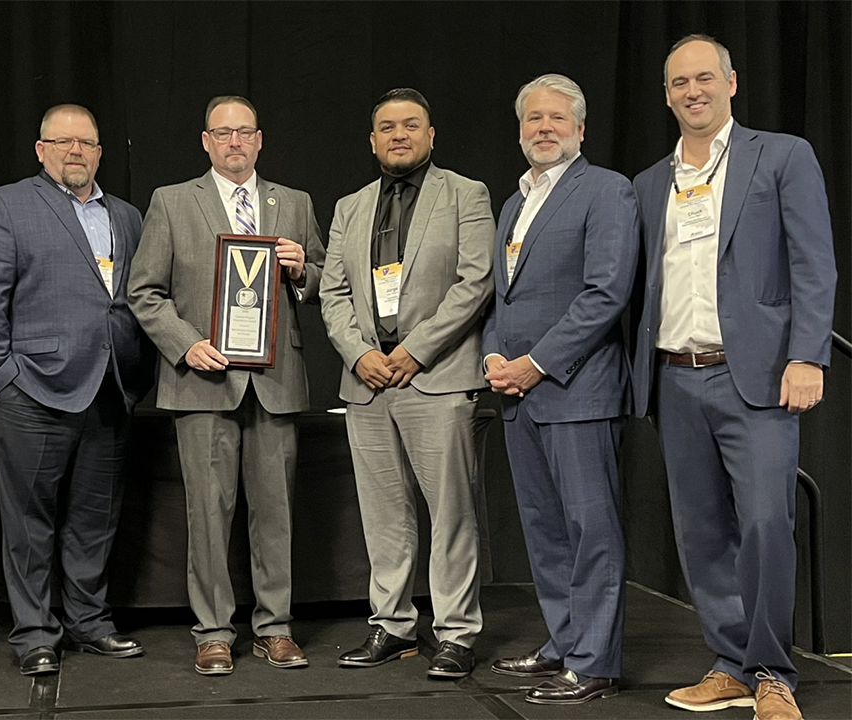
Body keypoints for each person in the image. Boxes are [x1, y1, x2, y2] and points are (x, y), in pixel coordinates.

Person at [631, 35, 836, 720]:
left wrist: (808, 354)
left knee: (767, 524)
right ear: (666, 95)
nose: (693, 91)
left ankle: (775, 672)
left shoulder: (782, 156)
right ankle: (731, 664)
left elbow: (814, 262)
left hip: (758, 377)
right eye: (680, 82)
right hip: (675, 378)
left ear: (731, 83)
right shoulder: (649, 182)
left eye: (705, 79)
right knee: (701, 533)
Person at [127, 95, 324, 675]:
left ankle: (275, 627)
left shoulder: (293, 202)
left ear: (259, 140)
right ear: (206, 142)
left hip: (275, 380)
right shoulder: (170, 201)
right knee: (208, 512)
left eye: (244, 132)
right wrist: (185, 344)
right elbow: (144, 291)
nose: (234, 142)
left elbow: (321, 277)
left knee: (275, 511)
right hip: (202, 381)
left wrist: (301, 270)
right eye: (223, 133)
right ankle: (213, 632)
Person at [0, 104, 153, 676]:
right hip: (34, 390)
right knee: (29, 520)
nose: (76, 151)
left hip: (111, 387)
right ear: (40, 149)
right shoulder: (7, 204)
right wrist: (1, 378)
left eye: (87, 143)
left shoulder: (126, 215)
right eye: (63, 141)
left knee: (95, 518)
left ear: (100, 152)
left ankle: (89, 622)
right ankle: (36, 633)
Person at [318, 88, 491, 679]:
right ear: (372, 141)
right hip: (367, 382)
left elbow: (475, 282)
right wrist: (359, 353)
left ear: (430, 134)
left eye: (410, 125)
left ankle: (457, 633)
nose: (398, 135)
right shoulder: (350, 206)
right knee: (384, 515)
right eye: (387, 127)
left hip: (436, 378)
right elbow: (333, 292)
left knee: (451, 513)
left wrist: (415, 351)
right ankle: (392, 626)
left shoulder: (466, 194)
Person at [482, 73, 638, 704]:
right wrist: (495, 353)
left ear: (580, 127)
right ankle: (565, 642)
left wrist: (536, 363)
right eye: (532, 120)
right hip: (518, 393)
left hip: (577, 390)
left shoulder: (606, 191)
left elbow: (606, 292)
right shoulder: (514, 203)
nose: (543, 128)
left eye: (556, 119)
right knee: (545, 530)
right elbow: (505, 297)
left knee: (590, 530)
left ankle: (596, 662)